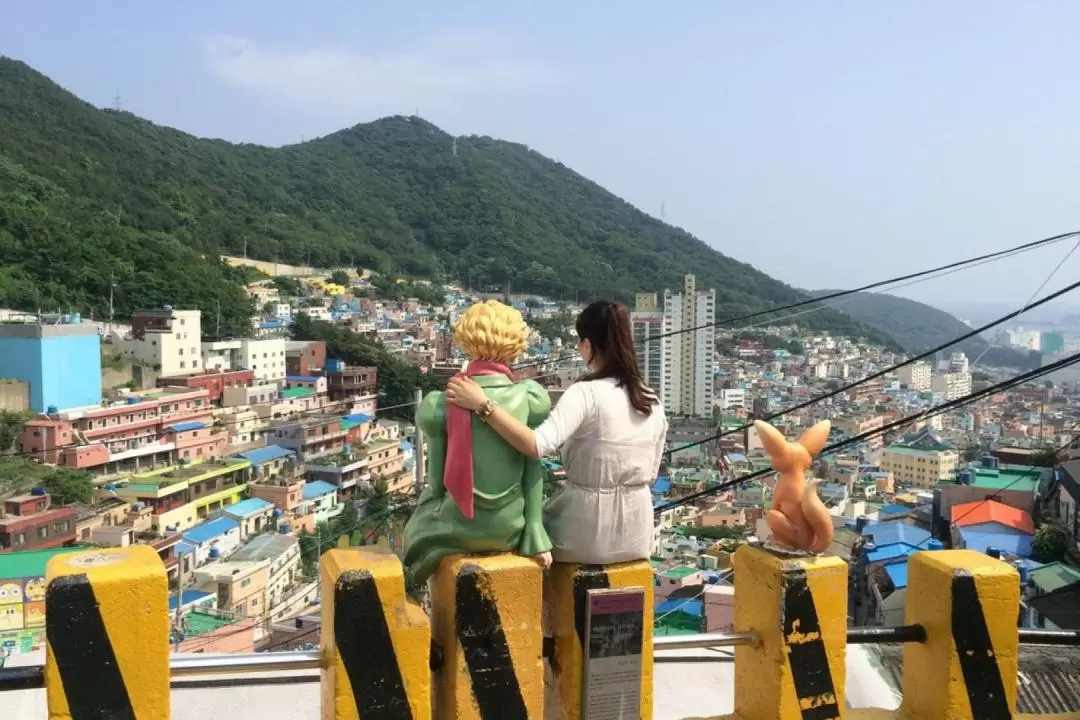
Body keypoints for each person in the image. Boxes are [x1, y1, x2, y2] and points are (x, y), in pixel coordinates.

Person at [446, 300, 667, 565]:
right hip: (637, 533)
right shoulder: (650, 398)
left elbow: (537, 445)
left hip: (587, 531)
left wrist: (482, 405)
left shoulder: (586, 393)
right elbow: (652, 475)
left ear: (587, 345)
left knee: (519, 532)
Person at [402, 300, 553, 589]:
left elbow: (436, 485)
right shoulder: (530, 398)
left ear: (465, 341)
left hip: (459, 527)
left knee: (420, 520)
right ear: (517, 345)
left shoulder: (441, 403)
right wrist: (534, 527)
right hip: (511, 527)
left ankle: (412, 586)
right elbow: (532, 467)